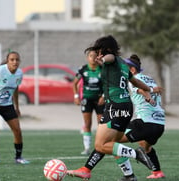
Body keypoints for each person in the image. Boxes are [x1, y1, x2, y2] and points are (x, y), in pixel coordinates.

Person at [67, 35, 163, 180]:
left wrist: (104, 59)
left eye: (100, 52)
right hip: (125, 106)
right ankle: (128, 176)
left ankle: (137, 154)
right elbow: (136, 82)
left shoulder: (110, 59)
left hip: (115, 106)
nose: (98, 55)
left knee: (101, 145)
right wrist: (148, 91)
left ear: (108, 50)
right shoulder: (123, 65)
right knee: (113, 145)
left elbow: (110, 57)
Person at [116, 54, 165, 181]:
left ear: (132, 70)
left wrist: (147, 96)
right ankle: (157, 172)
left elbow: (141, 90)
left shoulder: (133, 79)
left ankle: (129, 174)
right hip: (159, 124)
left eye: (124, 67)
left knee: (111, 142)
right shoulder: (150, 79)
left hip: (145, 121)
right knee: (146, 145)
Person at [73, 48, 105, 155]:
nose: (93, 58)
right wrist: (76, 96)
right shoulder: (83, 69)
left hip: (99, 99)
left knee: (101, 123)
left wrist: (104, 96)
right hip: (86, 99)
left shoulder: (102, 68)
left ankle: (101, 146)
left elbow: (107, 83)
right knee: (87, 123)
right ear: (88, 58)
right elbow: (74, 83)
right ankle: (87, 148)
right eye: (91, 56)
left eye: (95, 56)